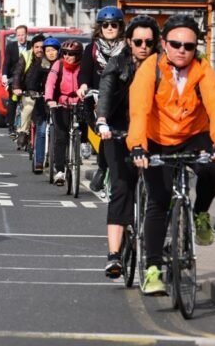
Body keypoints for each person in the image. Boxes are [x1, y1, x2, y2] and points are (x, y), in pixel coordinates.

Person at [127, 14, 215, 295]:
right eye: (176, 44)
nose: (182, 50)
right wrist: (138, 146)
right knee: (159, 201)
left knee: (211, 168)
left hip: (193, 135)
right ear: (164, 44)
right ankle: (152, 271)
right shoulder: (150, 69)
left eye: (189, 45)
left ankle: (200, 214)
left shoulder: (203, 69)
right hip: (156, 138)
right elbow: (139, 109)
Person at [94, 15, 161, 278]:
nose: (143, 46)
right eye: (138, 41)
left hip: (152, 133)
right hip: (118, 130)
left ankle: (161, 242)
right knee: (122, 187)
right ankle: (114, 255)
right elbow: (107, 90)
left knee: (160, 188)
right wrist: (102, 120)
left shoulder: (163, 66)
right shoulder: (117, 63)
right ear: (129, 42)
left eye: (149, 41)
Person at [78, 6, 126, 190]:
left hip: (120, 100)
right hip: (97, 99)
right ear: (100, 27)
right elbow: (84, 73)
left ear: (120, 27)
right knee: (106, 135)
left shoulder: (127, 50)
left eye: (114, 25)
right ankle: (102, 167)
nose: (110, 28)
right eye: (105, 25)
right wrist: (83, 86)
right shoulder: (91, 49)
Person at [45, 39, 85, 186]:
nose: (67, 56)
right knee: (61, 137)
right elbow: (50, 82)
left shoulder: (82, 66)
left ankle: (83, 146)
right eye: (65, 53)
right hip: (61, 103)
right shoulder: (58, 64)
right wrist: (50, 99)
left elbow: (89, 80)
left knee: (85, 125)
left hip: (79, 101)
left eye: (72, 54)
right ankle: (60, 171)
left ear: (78, 55)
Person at [25, 36, 61, 168]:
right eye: (48, 50)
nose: (51, 53)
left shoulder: (61, 64)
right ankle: (39, 161)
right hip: (42, 103)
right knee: (41, 131)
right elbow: (31, 81)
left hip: (58, 103)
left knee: (60, 133)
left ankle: (59, 162)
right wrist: (33, 92)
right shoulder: (40, 65)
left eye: (53, 50)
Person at [11, 34, 47, 150]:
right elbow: (17, 73)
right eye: (36, 47)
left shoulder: (48, 58)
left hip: (45, 93)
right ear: (32, 48)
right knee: (28, 107)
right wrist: (16, 87)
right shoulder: (26, 56)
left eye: (42, 47)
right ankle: (23, 132)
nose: (39, 50)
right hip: (27, 90)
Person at [3, 25, 30, 137]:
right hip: (13, 78)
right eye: (18, 35)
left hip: (27, 77)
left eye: (22, 35)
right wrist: (4, 76)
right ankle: (10, 125)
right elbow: (6, 63)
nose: (20, 37)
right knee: (13, 100)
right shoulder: (11, 46)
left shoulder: (31, 46)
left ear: (26, 34)